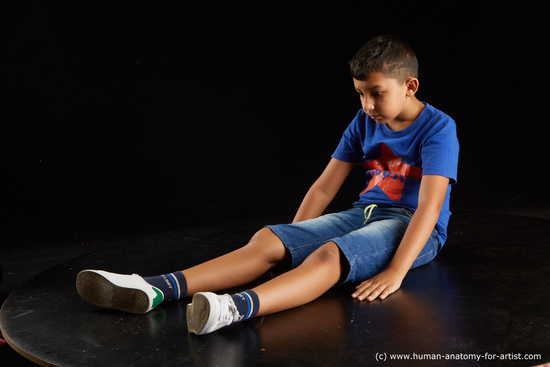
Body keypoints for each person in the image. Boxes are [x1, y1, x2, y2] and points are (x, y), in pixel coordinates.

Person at [76, 35, 459, 336]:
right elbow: (324, 188)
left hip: (412, 226)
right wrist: (291, 241)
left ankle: (233, 308)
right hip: (365, 213)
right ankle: (156, 288)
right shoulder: (363, 123)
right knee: (267, 240)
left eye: (377, 93)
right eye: (360, 93)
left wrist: (396, 271)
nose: (367, 105)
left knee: (327, 255)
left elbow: (428, 207)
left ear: (410, 85)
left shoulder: (438, 128)